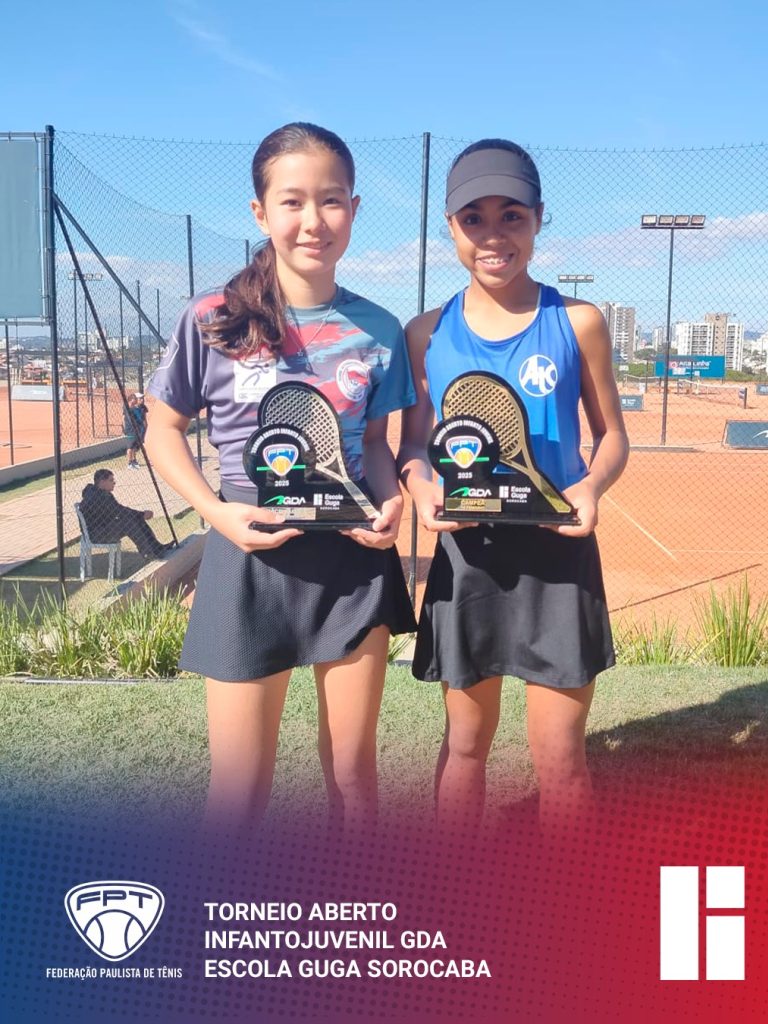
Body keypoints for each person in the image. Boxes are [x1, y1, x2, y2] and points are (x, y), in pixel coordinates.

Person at [144, 122, 416, 833]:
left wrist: (390, 499)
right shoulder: (213, 319)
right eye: (292, 201)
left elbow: (377, 445)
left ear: (354, 209)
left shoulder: (379, 329)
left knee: (354, 779)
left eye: (331, 200)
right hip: (248, 556)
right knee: (239, 791)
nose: (313, 220)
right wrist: (216, 513)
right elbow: (161, 432)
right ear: (260, 212)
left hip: (351, 560)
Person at [398, 139, 629, 833]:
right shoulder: (425, 333)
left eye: (512, 216)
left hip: (558, 556)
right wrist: (421, 488)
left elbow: (612, 436)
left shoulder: (578, 321)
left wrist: (591, 487)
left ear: (537, 219)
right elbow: (414, 447)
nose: (493, 236)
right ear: (450, 226)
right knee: (465, 747)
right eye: (474, 218)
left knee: (560, 760)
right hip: (469, 558)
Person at [78, 468, 171, 559]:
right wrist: (142, 514)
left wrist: (140, 515)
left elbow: (119, 509)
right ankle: (148, 553)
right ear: (102, 482)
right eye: (111, 480)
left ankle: (157, 548)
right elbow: (119, 511)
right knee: (128, 523)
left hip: (103, 528)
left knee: (133, 519)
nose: (114, 483)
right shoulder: (97, 497)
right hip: (95, 535)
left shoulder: (100, 493)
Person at [123, 392, 147, 469]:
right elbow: (124, 419)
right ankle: (130, 463)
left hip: (137, 430)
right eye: (136, 399)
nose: (137, 400)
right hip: (130, 430)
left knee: (134, 447)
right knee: (130, 447)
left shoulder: (138, 408)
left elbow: (143, 419)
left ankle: (134, 461)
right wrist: (124, 428)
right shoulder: (127, 408)